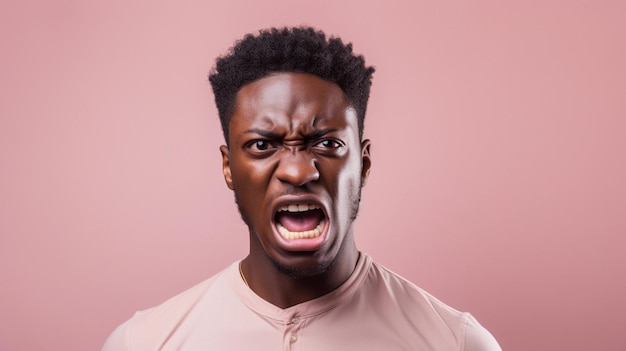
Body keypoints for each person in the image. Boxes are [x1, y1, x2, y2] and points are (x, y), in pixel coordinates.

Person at [102, 26, 501, 350]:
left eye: (327, 144)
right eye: (263, 145)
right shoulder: (145, 343)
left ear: (362, 164)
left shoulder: (456, 343)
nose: (297, 171)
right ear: (228, 167)